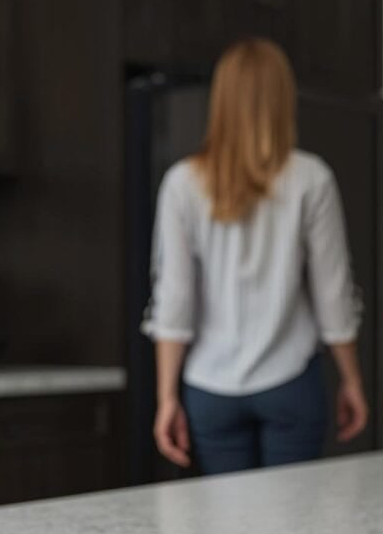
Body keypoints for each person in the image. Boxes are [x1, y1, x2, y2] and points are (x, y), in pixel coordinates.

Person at [142, 37, 368, 476]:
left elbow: (175, 301)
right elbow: (333, 292)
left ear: (220, 101)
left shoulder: (182, 183)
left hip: (209, 389)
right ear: (284, 99)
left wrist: (166, 397)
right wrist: (352, 381)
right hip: (291, 384)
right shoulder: (311, 178)